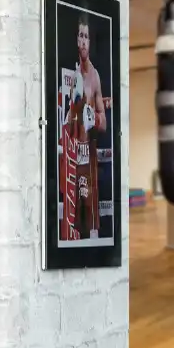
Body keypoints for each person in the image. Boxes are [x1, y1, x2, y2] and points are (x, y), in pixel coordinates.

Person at [64, 13, 106, 239]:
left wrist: (94, 118)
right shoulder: (71, 74)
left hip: (87, 156)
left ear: (90, 41)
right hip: (71, 156)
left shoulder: (95, 77)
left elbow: (105, 122)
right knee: (72, 221)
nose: (82, 41)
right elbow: (65, 117)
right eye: (79, 36)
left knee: (91, 220)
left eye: (85, 37)